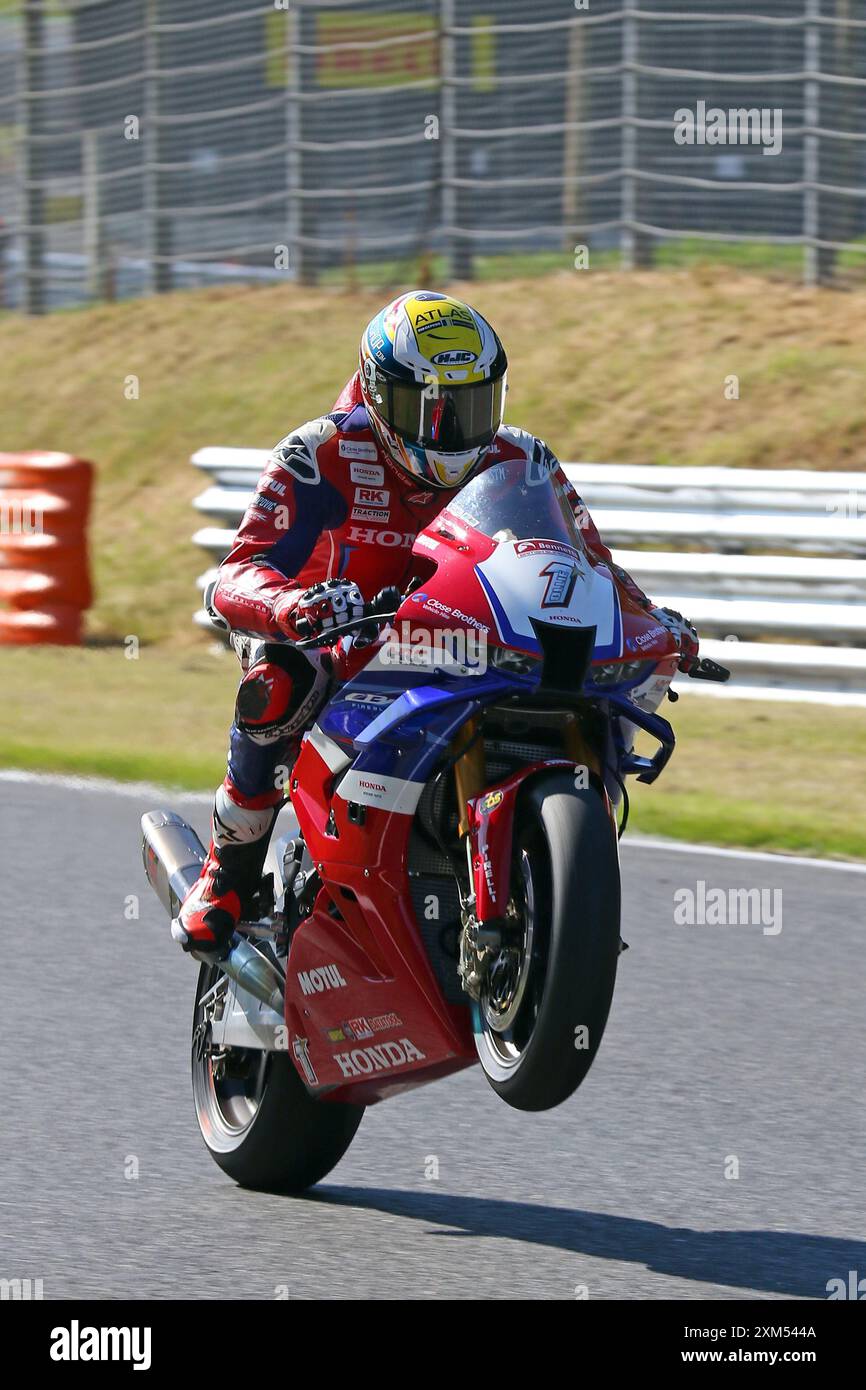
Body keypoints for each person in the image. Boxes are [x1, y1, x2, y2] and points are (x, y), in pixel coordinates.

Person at [175, 290, 698, 952]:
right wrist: (291, 606)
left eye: (471, 405)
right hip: (346, 644)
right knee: (277, 681)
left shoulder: (525, 460)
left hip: (469, 639)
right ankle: (229, 871)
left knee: (593, 688)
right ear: (378, 390)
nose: (451, 430)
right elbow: (237, 571)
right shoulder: (321, 451)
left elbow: (590, 562)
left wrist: (650, 618)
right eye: (428, 409)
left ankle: (553, 891)